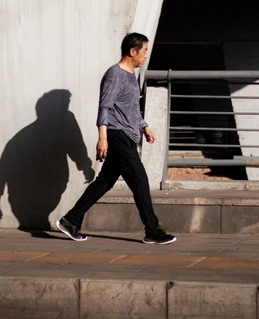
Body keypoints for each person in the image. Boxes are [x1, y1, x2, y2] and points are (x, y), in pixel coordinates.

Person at [55, 32, 176, 245]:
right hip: (117, 134)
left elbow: (131, 109)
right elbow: (105, 106)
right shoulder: (115, 74)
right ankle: (152, 230)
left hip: (128, 135)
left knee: (105, 181)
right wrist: (102, 137)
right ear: (133, 51)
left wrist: (144, 126)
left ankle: (71, 220)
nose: (146, 55)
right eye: (144, 50)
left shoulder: (130, 76)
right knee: (140, 180)